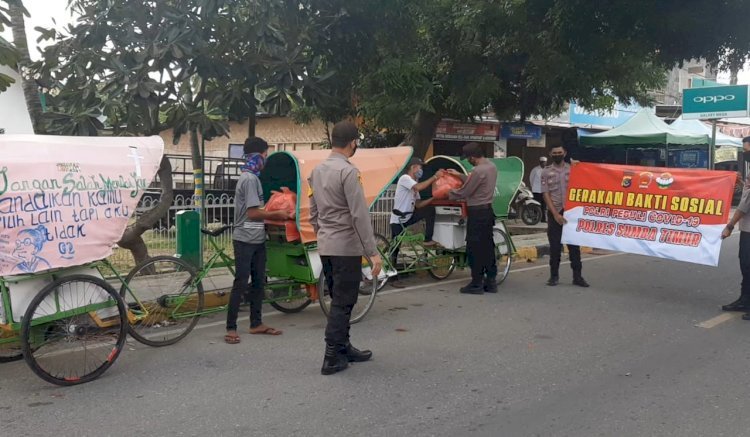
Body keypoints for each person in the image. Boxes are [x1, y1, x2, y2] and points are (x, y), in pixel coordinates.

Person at [309, 121, 383, 375]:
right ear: (353, 143)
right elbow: (359, 215)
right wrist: (372, 252)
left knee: (339, 299)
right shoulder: (349, 173)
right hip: (346, 248)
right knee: (343, 302)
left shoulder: (316, 171)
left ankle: (343, 347)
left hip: (327, 245)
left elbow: (313, 213)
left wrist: (324, 236)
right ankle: (332, 356)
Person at [224, 137, 291, 345]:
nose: (265, 159)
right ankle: (231, 327)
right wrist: (278, 214)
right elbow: (253, 213)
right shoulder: (250, 180)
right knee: (241, 282)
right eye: (264, 155)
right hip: (245, 239)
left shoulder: (251, 177)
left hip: (256, 238)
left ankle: (256, 323)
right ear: (256, 156)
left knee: (259, 281)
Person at [447, 142, 498, 294]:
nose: (468, 161)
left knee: (474, 248)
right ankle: (491, 281)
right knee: (487, 246)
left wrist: (447, 192)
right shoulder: (491, 166)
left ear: (472, 157)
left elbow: (465, 192)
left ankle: (476, 283)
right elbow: (476, 184)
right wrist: (460, 175)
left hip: (477, 213)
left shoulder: (478, 170)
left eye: (468, 158)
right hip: (488, 211)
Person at [542, 144, 589, 288]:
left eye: (560, 152)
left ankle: (578, 276)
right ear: (550, 154)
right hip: (555, 211)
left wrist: (580, 166)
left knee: (574, 246)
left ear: (565, 153)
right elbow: (546, 194)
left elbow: (585, 183)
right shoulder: (545, 172)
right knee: (555, 247)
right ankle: (554, 276)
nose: (557, 154)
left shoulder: (573, 168)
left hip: (571, 212)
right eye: (554, 152)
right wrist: (555, 214)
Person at [389, 157, 444, 273]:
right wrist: (435, 177)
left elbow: (418, 204)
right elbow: (418, 187)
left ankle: (428, 239)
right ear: (413, 167)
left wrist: (433, 198)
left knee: (429, 210)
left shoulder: (414, 184)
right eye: (420, 167)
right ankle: (392, 275)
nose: (421, 170)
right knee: (395, 248)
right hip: (399, 218)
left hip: (408, 216)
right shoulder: (405, 178)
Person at [721, 136, 750, 319]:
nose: (745, 153)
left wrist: (730, 225)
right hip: (747, 228)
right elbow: (747, 191)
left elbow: (746, 203)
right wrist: (740, 183)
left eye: (747, 150)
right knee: (745, 264)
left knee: (748, 265)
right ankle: (744, 300)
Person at [529, 157, 547, 222]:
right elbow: (531, 179)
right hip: (536, 190)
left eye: (544, 162)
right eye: (542, 162)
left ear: (546, 163)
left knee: (544, 205)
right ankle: (534, 218)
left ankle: (543, 219)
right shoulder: (535, 170)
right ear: (540, 162)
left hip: (544, 191)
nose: (543, 163)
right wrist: (532, 187)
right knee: (536, 205)